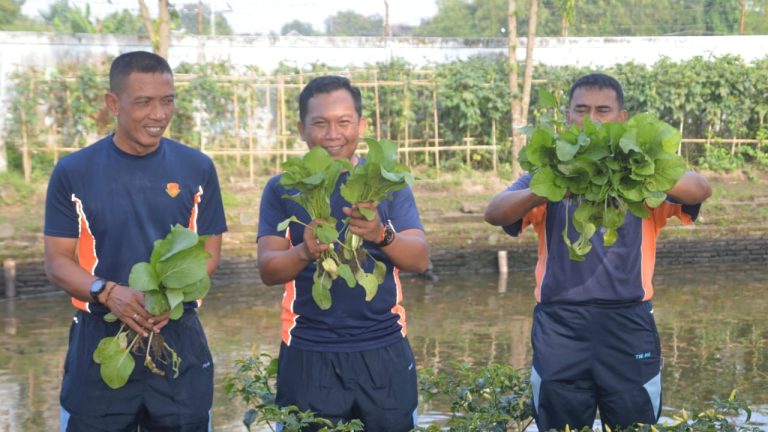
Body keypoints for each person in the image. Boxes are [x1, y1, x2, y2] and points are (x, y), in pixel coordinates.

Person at [484, 73, 712, 431]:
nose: (591, 119)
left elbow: (700, 189)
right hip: (560, 326)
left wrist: (637, 166)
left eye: (603, 110)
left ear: (622, 118)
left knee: (634, 425)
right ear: (567, 117)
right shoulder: (550, 171)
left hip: (627, 323)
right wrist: (548, 188)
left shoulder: (644, 178)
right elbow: (495, 211)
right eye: (581, 110)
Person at [44, 51, 227, 431]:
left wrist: (170, 299)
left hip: (176, 331)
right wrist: (107, 291)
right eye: (144, 102)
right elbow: (57, 261)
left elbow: (209, 253)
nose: (158, 114)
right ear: (114, 103)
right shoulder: (73, 171)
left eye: (167, 101)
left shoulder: (197, 168)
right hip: (101, 334)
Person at [257, 75, 430, 431]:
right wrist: (305, 251)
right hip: (308, 350)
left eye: (344, 122)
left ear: (361, 126)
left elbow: (419, 259)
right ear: (302, 129)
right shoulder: (282, 187)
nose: (332, 134)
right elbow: (268, 270)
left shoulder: (387, 183)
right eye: (320, 123)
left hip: (383, 348)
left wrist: (381, 235)